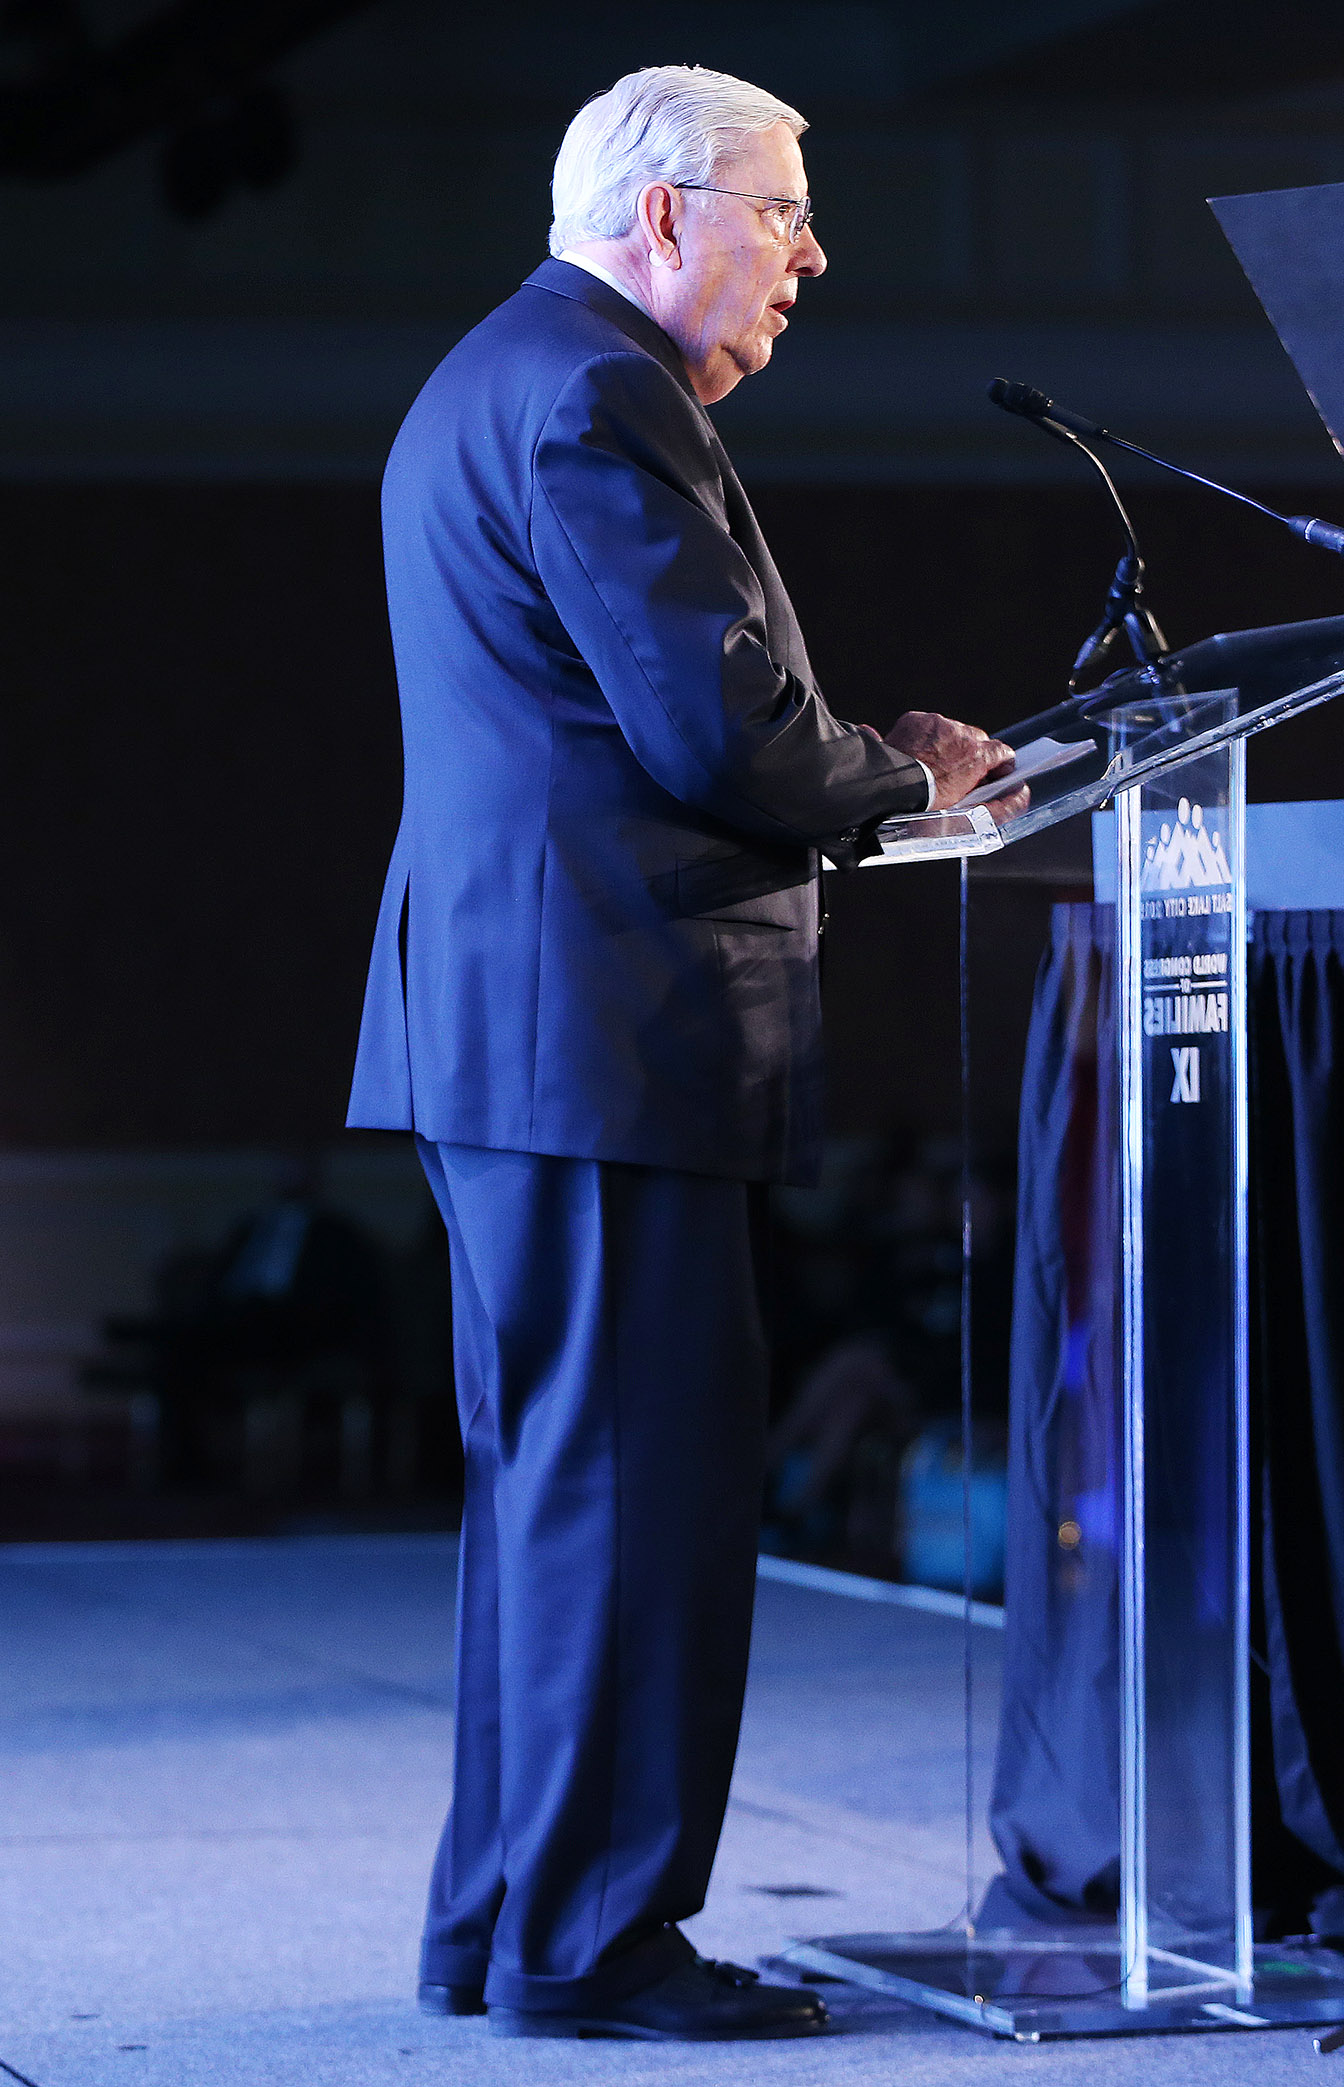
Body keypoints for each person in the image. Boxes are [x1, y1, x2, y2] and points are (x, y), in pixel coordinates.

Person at [346, 64, 1018, 2042]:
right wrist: (904, 781)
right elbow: (708, 734)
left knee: (555, 1489)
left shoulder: (500, 372)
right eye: (779, 212)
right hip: (601, 1030)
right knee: (629, 1490)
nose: (807, 255)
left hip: (528, 1027)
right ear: (665, 218)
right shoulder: (590, 392)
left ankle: (507, 1924)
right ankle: (598, 1944)